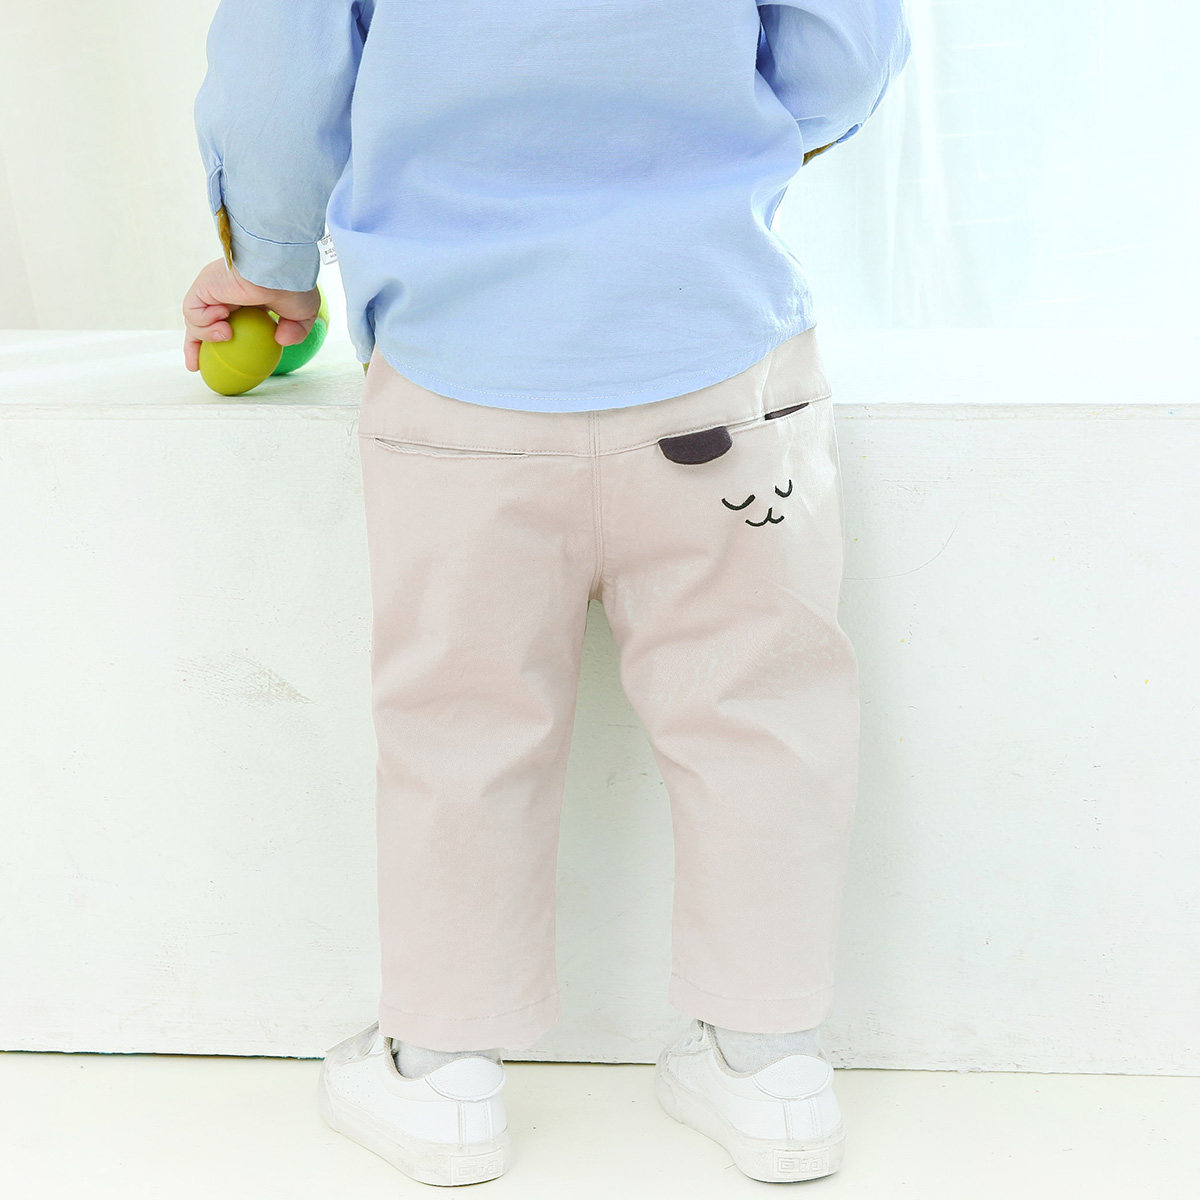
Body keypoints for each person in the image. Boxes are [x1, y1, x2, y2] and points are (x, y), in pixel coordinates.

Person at [184, 0, 910, 1186]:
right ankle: (772, 1066)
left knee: (458, 726)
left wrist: (268, 262)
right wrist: (705, 163)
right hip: (717, 353)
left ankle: (442, 1075)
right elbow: (848, 45)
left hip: (460, 377)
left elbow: (275, 77)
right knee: (763, 715)